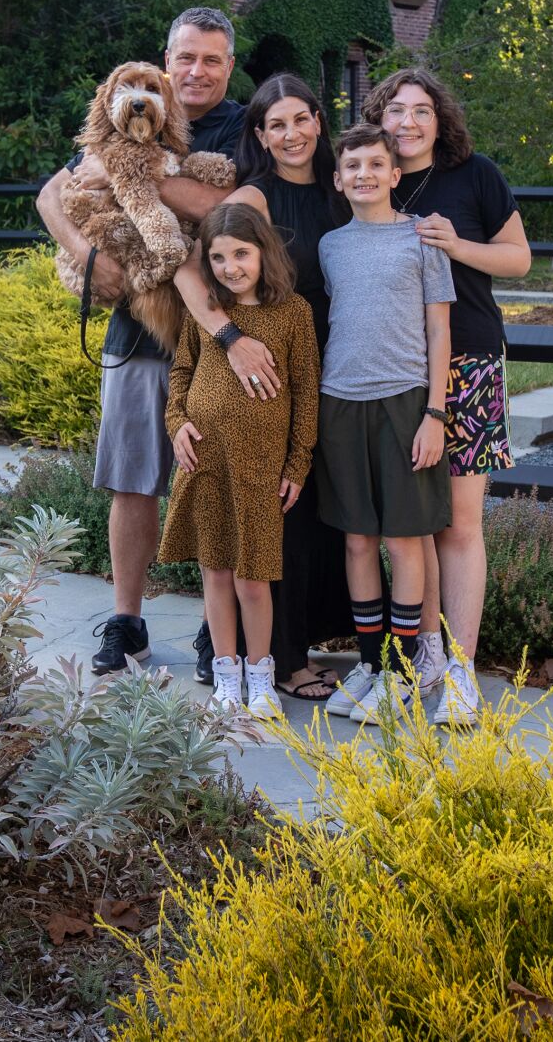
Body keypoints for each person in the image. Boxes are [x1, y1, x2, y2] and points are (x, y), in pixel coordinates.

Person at [35, 7, 246, 674]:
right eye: (185, 57)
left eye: (211, 59)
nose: (196, 71)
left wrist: (145, 178)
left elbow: (230, 209)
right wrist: (89, 258)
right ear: (165, 59)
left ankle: (222, 630)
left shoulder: (243, 127)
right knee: (132, 482)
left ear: (229, 66)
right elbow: (50, 194)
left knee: (217, 481)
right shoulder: (127, 107)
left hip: (217, 333)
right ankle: (127, 621)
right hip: (137, 331)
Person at [170, 73, 354, 701]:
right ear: (260, 135)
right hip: (268, 373)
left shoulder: (341, 188)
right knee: (285, 521)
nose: (291, 133)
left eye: (301, 119)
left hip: (337, 365)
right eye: (276, 124)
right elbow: (196, 271)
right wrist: (228, 337)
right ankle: (279, 659)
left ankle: (292, 643)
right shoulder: (257, 197)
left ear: (318, 123)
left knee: (325, 515)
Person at [365, 67, 532, 726]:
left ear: (440, 119)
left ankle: (462, 672)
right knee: (410, 524)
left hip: (467, 360)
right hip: (391, 370)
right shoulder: (367, 176)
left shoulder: (475, 175)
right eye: (396, 109)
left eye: (422, 110)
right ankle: (423, 655)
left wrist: (455, 242)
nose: (408, 121)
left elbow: (519, 259)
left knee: (460, 523)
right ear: (378, 117)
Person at [314, 124, 455, 726]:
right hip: (339, 400)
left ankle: (401, 674)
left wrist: (435, 414)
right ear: (340, 179)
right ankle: (372, 666)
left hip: (406, 402)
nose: (364, 174)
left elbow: (439, 332)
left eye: (377, 164)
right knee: (356, 540)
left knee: (404, 539)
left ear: (396, 176)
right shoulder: (330, 246)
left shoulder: (422, 240)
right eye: (353, 166)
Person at [158, 203, 320, 719]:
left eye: (242, 254)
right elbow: (181, 373)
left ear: (264, 253)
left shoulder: (293, 312)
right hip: (205, 460)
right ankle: (225, 675)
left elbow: (306, 396)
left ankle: (261, 677)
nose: (231, 267)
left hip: (259, 471)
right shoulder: (204, 310)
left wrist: (297, 465)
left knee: (254, 578)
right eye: (220, 257)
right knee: (216, 574)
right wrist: (176, 423)